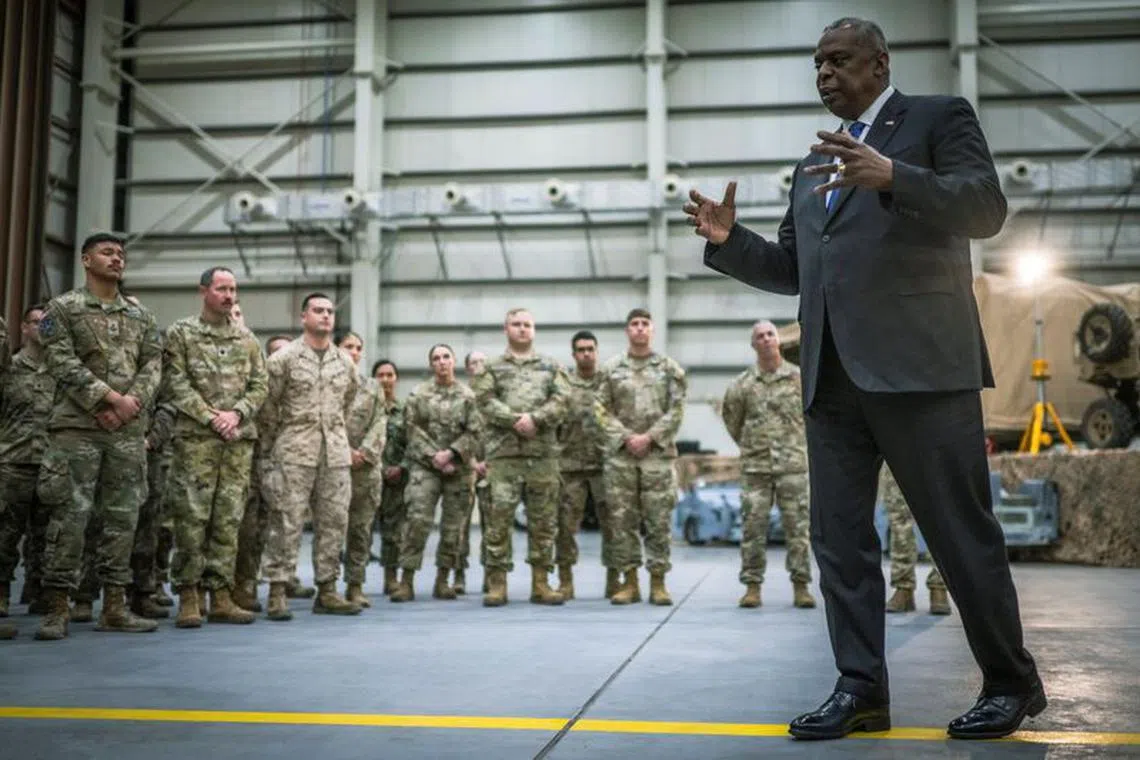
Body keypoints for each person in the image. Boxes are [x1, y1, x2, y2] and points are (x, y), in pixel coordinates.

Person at [687, 16, 1043, 741]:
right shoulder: (811, 166)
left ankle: (1011, 682)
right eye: (816, 65)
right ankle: (861, 687)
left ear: (878, 64)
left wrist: (895, 177)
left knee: (958, 535)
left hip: (922, 373)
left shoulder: (939, 120)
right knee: (841, 544)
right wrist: (732, 244)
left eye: (838, 61)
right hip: (833, 381)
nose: (824, 75)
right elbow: (795, 271)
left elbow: (986, 208)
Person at [35, 233, 163, 640]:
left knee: (123, 518)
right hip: (77, 429)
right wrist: (107, 399)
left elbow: (154, 364)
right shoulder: (64, 309)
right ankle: (56, 608)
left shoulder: (140, 316)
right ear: (86, 259)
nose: (117, 259)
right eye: (108, 252)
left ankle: (114, 606)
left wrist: (131, 403)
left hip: (126, 431)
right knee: (69, 517)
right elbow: (60, 360)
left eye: (121, 254)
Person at [164, 267, 268, 628]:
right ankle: (190, 594)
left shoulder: (247, 339)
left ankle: (221, 595)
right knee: (192, 519)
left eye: (233, 289)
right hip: (197, 441)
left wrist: (236, 415)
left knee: (228, 519)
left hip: (236, 443)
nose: (229, 295)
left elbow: (260, 385)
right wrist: (212, 418)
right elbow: (176, 382)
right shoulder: (182, 334)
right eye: (222, 288)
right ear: (204, 291)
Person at [259, 294, 360, 619]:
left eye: (330, 312)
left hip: (334, 452)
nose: (326, 316)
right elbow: (268, 408)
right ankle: (278, 589)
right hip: (293, 450)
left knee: (333, 522)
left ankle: (328, 589)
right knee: (286, 521)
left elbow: (347, 404)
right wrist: (278, 445)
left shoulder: (344, 362)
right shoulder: (283, 360)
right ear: (304, 317)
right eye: (318, 311)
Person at [471, 308, 569, 607]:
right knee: (498, 522)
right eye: (517, 324)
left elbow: (563, 399)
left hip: (542, 456)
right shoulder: (491, 367)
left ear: (534, 329)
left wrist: (536, 419)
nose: (523, 329)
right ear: (506, 329)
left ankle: (541, 583)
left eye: (527, 324)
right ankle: (497, 584)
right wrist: (515, 419)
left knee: (544, 523)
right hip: (504, 456)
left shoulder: (552, 366)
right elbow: (484, 400)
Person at [595, 309, 687, 606]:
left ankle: (658, 582)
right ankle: (630, 582)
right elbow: (599, 409)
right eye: (634, 324)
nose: (639, 329)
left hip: (656, 457)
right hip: (621, 457)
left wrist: (649, 438)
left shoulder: (669, 368)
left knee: (658, 521)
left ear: (652, 330)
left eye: (644, 324)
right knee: (623, 522)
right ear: (627, 331)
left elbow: (677, 409)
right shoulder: (611, 369)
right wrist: (626, 437)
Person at [721, 321, 815, 610]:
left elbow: (812, 418)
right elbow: (732, 421)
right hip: (756, 469)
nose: (765, 339)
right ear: (753, 345)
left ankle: (801, 587)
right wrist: (752, 446)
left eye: (770, 334)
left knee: (798, 529)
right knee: (752, 528)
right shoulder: (742, 385)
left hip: (792, 466)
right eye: (759, 336)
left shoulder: (799, 379)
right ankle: (752, 587)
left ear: (778, 341)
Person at [390, 344, 481, 602]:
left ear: (453, 362)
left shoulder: (467, 396)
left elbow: (475, 432)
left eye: (446, 357)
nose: (441, 362)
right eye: (436, 358)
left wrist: (451, 453)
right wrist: (435, 457)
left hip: (458, 469)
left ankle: (443, 580)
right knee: (417, 521)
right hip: (425, 467)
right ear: (431, 364)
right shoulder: (419, 394)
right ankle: (406, 580)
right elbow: (411, 430)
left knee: (453, 528)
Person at [0, 306, 55, 619]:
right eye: (36, 322)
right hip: (14, 461)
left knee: (47, 537)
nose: (42, 328)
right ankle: (2, 593)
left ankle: (39, 592)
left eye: (48, 324)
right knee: (6, 533)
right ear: (24, 328)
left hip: (50, 463)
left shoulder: (61, 372)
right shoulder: (10, 369)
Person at [233, 334, 293, 612]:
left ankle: (280, 580)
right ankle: (244, 584)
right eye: (275, 353)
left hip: (281, 462)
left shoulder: (295, 393)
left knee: (277, 525)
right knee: (248, 527)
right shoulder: (253, 385)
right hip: (250, 461)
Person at [556, 330, 608, 599]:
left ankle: (616, 579)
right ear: (574, 354)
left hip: (604, 463)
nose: (586, 353)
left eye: (590, 349)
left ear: (596, 351)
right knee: (565, 525)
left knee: (613, 524)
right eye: (581, 350)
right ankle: (566, 580)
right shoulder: (563, 384)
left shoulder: (609, 381)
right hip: (570, 464)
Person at [339, 332, 387, 608]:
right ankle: (328, 584)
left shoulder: (372, 386)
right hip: (333, 464)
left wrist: (364, 453)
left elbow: (380, 422)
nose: (354, 352)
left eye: (358, 347)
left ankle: (355, 585)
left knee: (360, 530)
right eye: (348, 346)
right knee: (331, 530)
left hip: (365, 468)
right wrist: (343, 451)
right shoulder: (328, 384)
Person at [879, 466, 950, 615]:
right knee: (897, 510)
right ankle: (903, 587)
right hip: (894, 445)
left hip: (933, 445)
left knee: (940, 509)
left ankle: (939, 585)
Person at [374, 359, 407, 595]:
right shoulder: (364, 407)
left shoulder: (405, 410)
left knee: (393, 531)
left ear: (396, 378)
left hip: (396, 478)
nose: (385, 379)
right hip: (367, 475)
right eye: (380, 375)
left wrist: (401, 467)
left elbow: (413, 442)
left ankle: (391, 576)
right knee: (359, 531)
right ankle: (354, 582)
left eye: (390, 375)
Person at [458, 350, 489, 594]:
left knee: (493, 525)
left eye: (482, 362)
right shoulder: (461, 396)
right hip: (464, 466)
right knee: (460, 525)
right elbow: (453, 433)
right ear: (467, 368)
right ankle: (458, 573)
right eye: (473, 362)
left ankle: (492, 574)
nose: (478, 366)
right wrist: (472, 461)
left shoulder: (495, 395)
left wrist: (489, 463)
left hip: (492, 468)